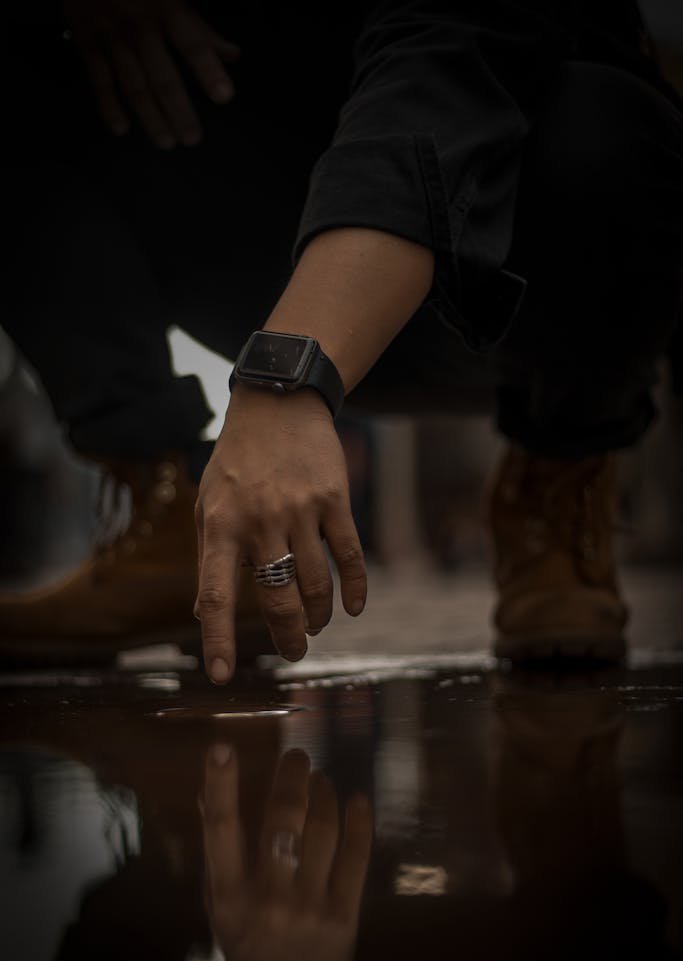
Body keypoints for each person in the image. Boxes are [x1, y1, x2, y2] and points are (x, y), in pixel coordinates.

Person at [0, 1, 681, 678]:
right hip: (260, 223)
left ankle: (555, 484)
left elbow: (443, 64)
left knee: (607, 118)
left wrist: (285, 380)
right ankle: (163, 516)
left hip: (505, 256)